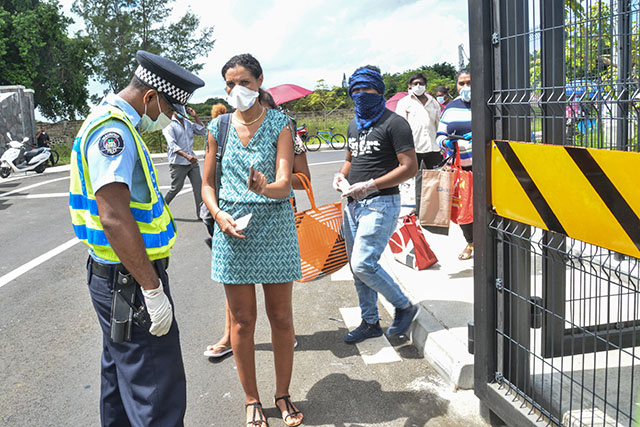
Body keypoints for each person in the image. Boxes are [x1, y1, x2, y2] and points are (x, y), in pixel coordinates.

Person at [68, 50, 204, 426]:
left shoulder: (112, 123)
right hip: (129, 281)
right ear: (149, 97)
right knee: (156, 391)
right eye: (170, 108)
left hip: (115, 277)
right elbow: (113, 216)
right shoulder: (114, 132)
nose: (171, 117)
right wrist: (152, 288)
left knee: (121, 381)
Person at [201, 53, 304, 427]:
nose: (236, 90)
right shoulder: (218, 127)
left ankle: (282, 395)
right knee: (242, 322)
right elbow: (207, 184)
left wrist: (266, 186)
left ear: (260, 81)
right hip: (233, 230)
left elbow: (282, 182)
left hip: (275, 229)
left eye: (243, 82)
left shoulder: (281, 123)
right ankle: (251, 399)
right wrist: (217, 214)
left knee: (281, 318)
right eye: (230, 84)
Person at [333, 65, 419, 344]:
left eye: (366, 89)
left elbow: (409, 168)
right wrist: (341, 176)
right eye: (355, 90)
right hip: (353, 205)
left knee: (363, 264)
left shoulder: (395, 123)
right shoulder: (353, 124)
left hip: (381, 203)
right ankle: (370, 321)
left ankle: (404, 306)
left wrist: (370, 185)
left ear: (379, 91)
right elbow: (350, 159)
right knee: (356, 268)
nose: (361, 95)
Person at [436, 68, 473, 260]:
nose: (466, 87)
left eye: (469, 82)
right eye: (462, 83)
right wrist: (446, 142)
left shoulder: (487, 104)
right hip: (461, 169)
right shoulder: (450, 108)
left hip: (487, 168)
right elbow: (439, 136)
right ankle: (471, 242)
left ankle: (491, 242)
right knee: (463, 209)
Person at [163, 105, 206, 219]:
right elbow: (172, 145)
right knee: (176, 188)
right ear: (174, 111)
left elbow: (201, 131)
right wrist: (186, 156)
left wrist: (195, 116)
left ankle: (200, 214)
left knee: (198, 187)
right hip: (178, 163)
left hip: (192, 162)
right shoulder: (169, 125)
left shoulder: (188, 123)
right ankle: (161, 208)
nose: (182, 112)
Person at [395, 73, 442, 169]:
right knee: (410, 179)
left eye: (421, 83)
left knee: (435, 179)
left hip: (432, 147)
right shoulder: (404, 103)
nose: (418, 86)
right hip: (413, 148)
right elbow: (400, 127)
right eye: (415, 84)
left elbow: (438, 124)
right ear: (410, 86)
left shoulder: (433, 102)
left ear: (425, 85)